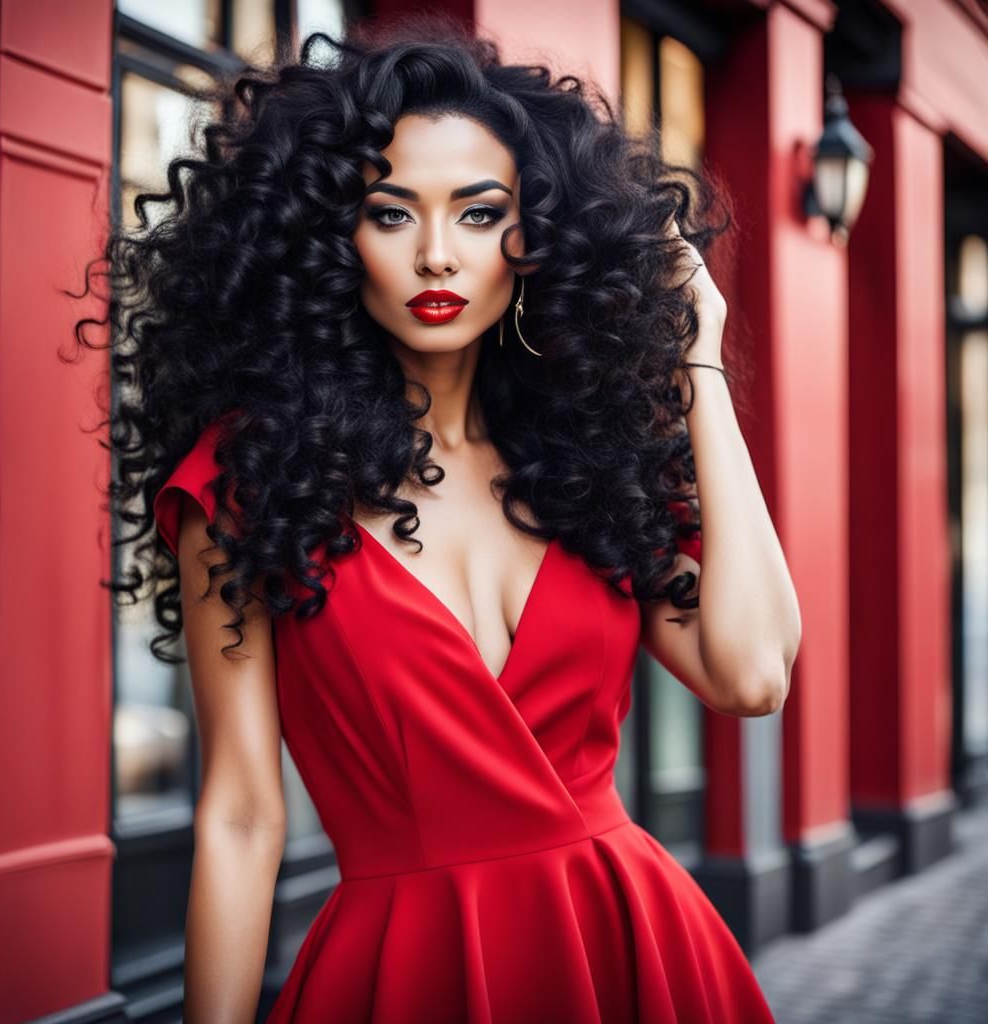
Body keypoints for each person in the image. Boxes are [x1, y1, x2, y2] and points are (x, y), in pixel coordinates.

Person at [77, 10, 800, 1022]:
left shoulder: (585, 465)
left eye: (476, 212)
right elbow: (242, 813)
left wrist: (698, 357)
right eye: (389, 212)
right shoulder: (250, 484)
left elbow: (753, 672)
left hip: (632, 947)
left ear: (536, 235)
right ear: (328, 239)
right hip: (405, 970)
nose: (434, 256)